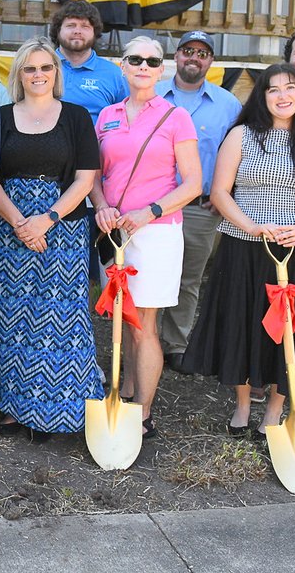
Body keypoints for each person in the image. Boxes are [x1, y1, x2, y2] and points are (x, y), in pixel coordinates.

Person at [182, 63, 295, 437]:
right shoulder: (241, 136)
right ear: (262, 96)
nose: (282, 96)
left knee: (289, 332)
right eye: (273, 89)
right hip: (246, 246)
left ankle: (274, 410)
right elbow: (220, 192)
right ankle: (241, 406)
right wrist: (251, 226)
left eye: (290, 88)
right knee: (243, 321)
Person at [0, 38, 102, 439]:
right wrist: (17, 222)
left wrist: (46, 219)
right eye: (30, 68)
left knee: (60, 320)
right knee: (7, 318)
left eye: (46, 67)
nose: (38, 75)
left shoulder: (77, 117)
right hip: (5, 228)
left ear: (56, 73)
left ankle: (60, 413)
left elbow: (86, 178)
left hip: (61, 231)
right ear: (19, 75)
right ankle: (15, 407)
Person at [91, 37, 201, 438]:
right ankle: (125, 393)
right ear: (122, 65)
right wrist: (101, 205)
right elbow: (95, 176)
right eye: (134, 58)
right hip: (113, 231)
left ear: (162, 70)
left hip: (155, 234)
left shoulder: (176, 117)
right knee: (120, 318)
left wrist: (150, 211)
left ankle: (143, 413)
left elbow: (193, 183)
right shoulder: (106, 115)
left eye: (151, 60)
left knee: (144, 325)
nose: (142, 65)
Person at [154, 31, 241, 373]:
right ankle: (143, 340)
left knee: (187, 278)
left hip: (200, 208)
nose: (194, 57)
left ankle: (175, 344)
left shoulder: (228, 104)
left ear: (211, 62)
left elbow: (238, 153)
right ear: (176, 57)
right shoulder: (153, 94)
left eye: (202, 53)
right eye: (187, 50)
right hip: (151, 206)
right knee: (147, 274)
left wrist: (227, 196)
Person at [50, 0, 128, 124]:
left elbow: (127, 120)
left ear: (95, 32)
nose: (77, 31)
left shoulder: (114, 74)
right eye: (71, 25)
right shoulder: (41, 67)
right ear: (58, 30)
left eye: (85, 26)